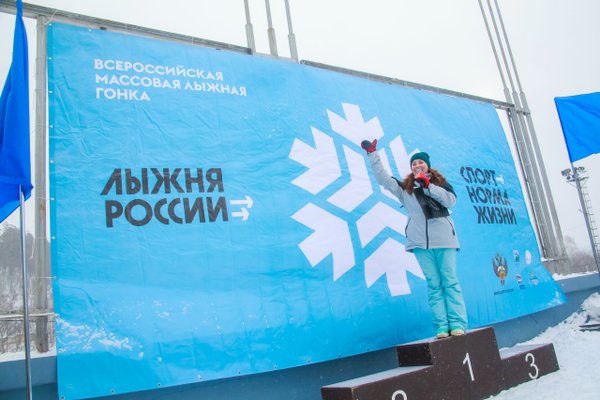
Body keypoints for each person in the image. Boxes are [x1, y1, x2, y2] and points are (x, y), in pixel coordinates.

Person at [361, 139, 467, 339]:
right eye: (414, 163)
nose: (417, 165)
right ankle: (442, 326)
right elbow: (383, 179)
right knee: (434, 285)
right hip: (420, 243)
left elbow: (450, 201)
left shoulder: (440, 183)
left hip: (444, 240)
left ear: (427, 165)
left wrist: (428, 186)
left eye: (421, 162)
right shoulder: (405, 188)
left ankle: (458, 324)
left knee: (450, 282)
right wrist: (372, 154)